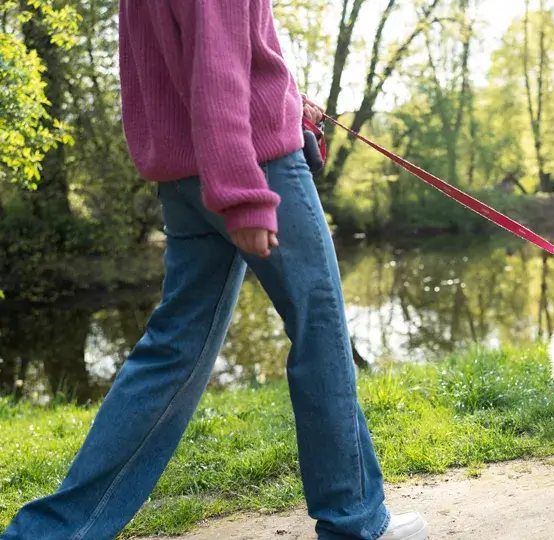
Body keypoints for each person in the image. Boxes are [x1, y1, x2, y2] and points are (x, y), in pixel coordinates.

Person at [0, 1, 427, 539]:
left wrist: (285, 100)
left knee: (172, 352)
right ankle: (356, 524)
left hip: (185, 175)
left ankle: (48, 535)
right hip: (253, 167)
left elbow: (184, 60)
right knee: (320, 336)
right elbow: (218, 69)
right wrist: (243, 194)